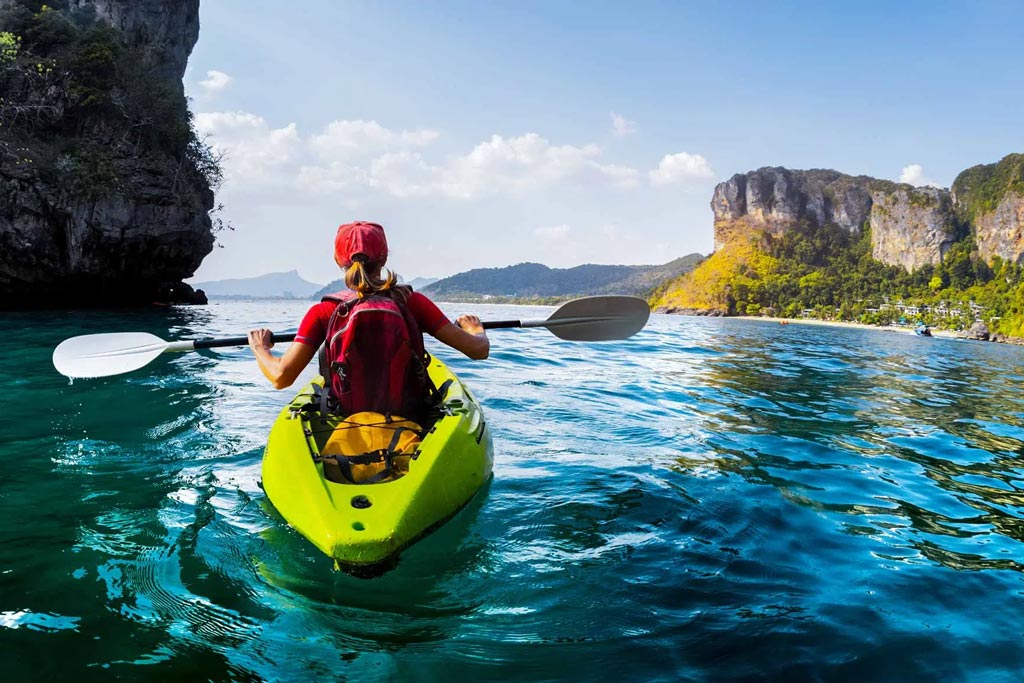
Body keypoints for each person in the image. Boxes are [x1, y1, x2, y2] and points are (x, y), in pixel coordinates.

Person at [247, 222, 489, 403]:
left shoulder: (324, 311)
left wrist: (261, 348)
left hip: (348, 414)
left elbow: (281, 377)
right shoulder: (412, 302)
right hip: (410, 412)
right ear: (383, 259)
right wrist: (475, 329)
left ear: (337, 260)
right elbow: (478, 351)